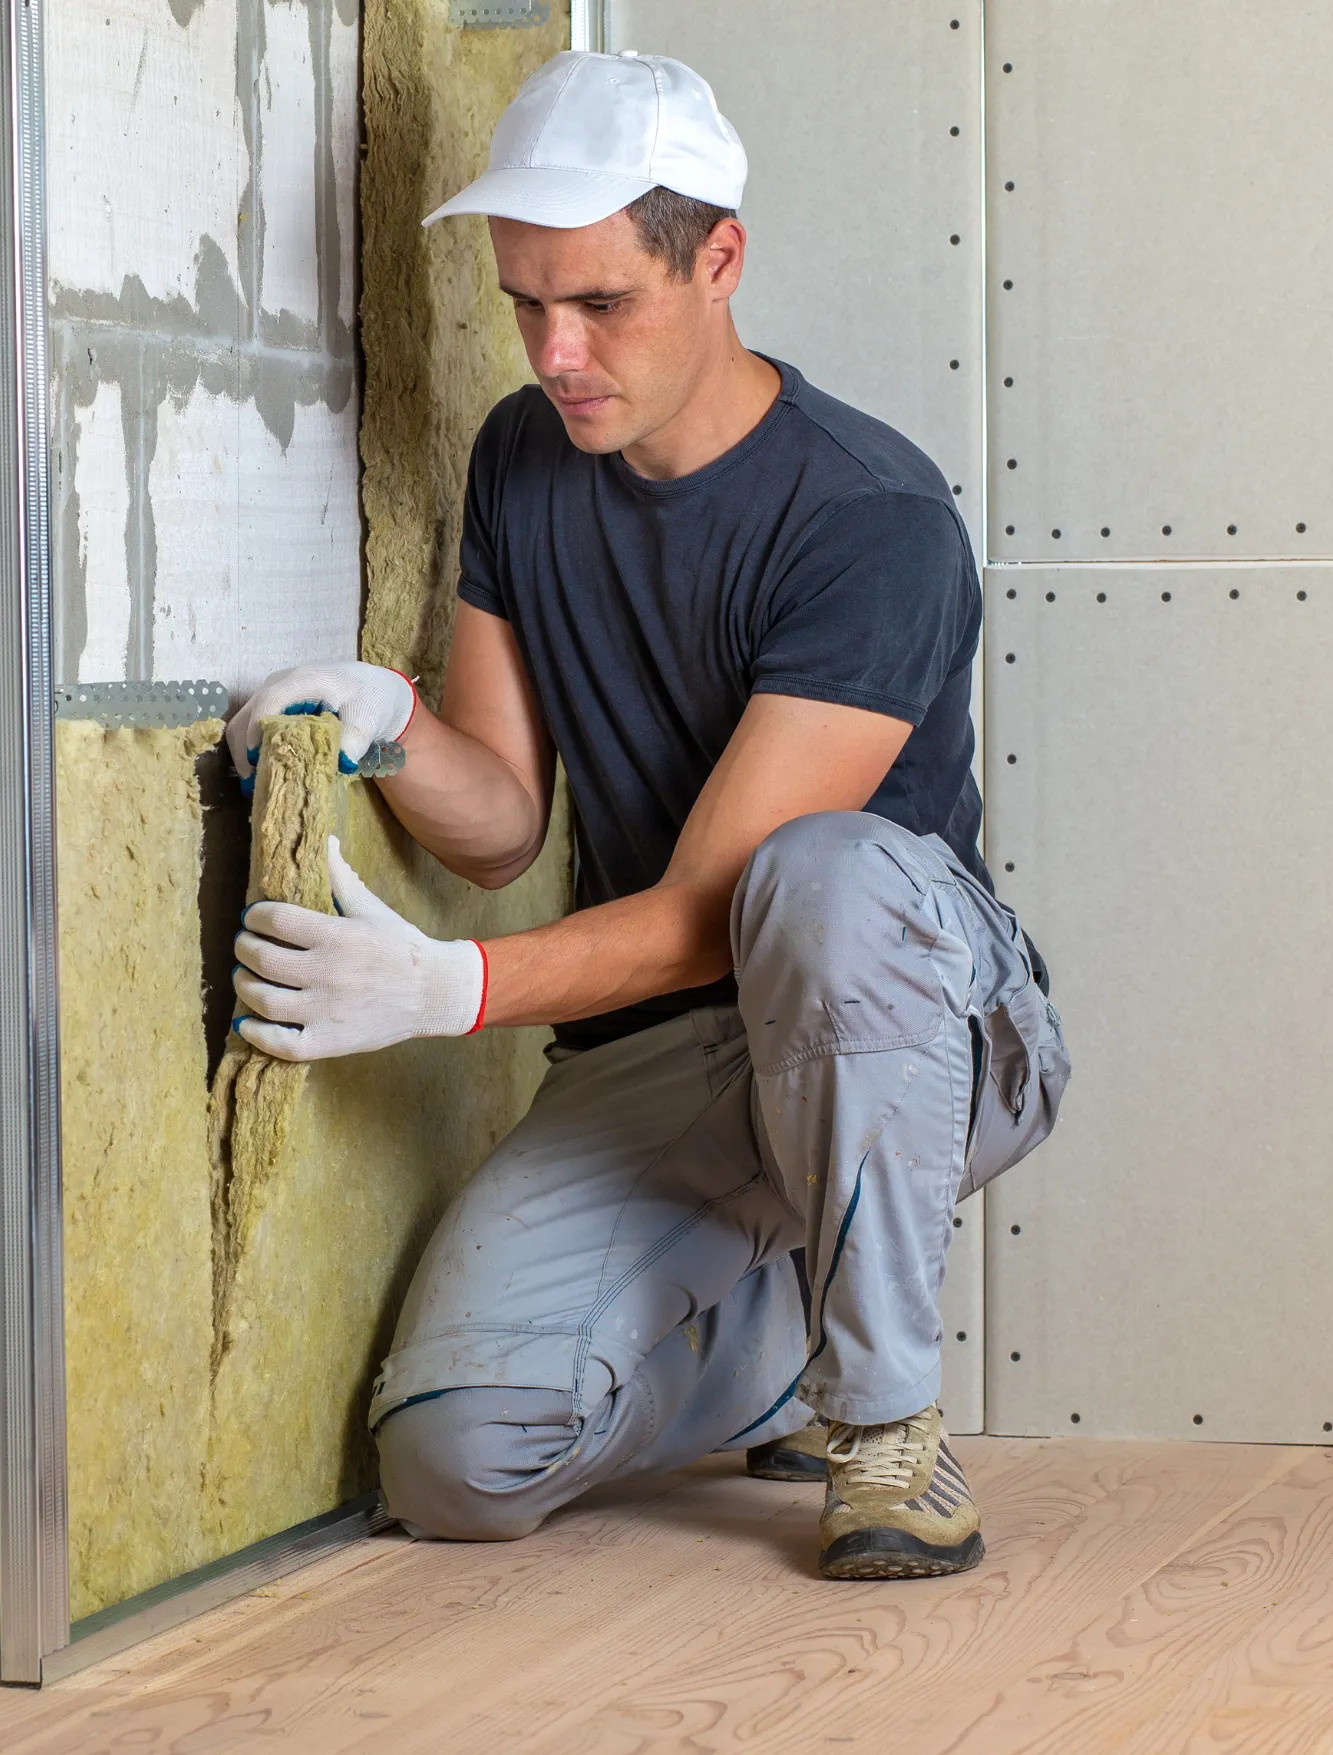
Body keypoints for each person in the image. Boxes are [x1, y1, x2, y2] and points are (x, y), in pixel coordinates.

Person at [223, 49, 1069, 1580]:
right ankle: (777, 1345)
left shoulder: (870, 519)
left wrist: (444, 987)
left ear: (720, 259)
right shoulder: (522, 462)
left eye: (600, 302)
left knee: (812, 879)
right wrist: (391, 728)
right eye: (523, 301)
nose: (553, 350)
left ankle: (881, 1431)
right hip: (674, 1043)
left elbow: (707, 911)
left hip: (915, 1018)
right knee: (454, 1457)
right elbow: (497, 827)